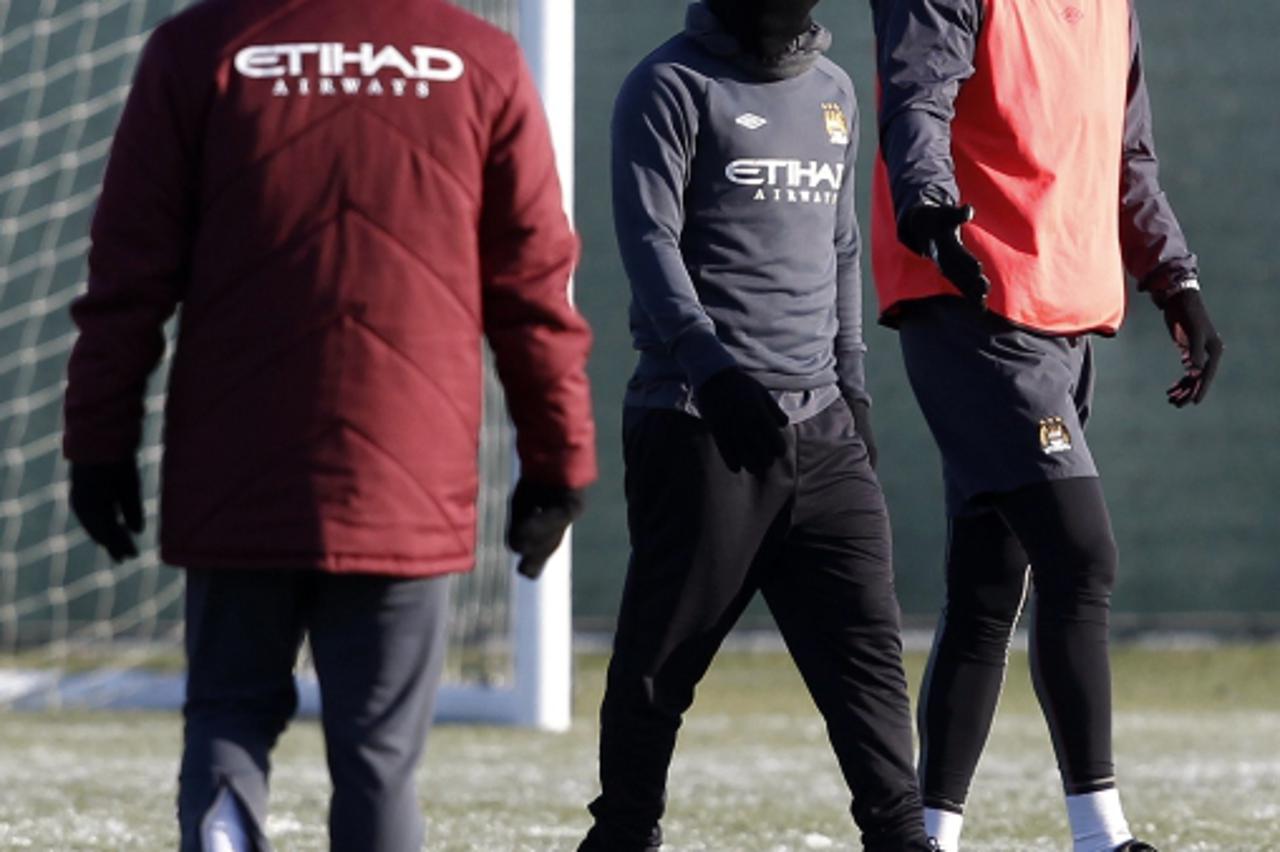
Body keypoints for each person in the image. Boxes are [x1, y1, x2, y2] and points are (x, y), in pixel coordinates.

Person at [61, 0, 596, 849]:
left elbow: (127, 276)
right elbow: (534, 289)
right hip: (404, 481)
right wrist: (559, 461)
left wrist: (98, 441)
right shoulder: (476, 57)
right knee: (380, 759)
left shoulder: (199, 48)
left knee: (227, 721)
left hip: (238, 475)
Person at [868, 1, 1224, 850]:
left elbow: (1126, 152)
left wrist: (1177, 284)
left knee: (991, 584)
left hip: (1066, 314)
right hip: (972, 304)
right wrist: (926, 205)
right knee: (1080, 550)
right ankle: (1101, 836)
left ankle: (928, 834)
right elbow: (918, 94)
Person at [578, 2, 932, 849]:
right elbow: (650, 241)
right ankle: (623, 833)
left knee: (866, 655)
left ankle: (901, 836)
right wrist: (712, 367)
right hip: (702, 421)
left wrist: (853, 386)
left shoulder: (837, 88)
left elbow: (843, 243)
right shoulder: (669, 84)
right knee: (662, 662)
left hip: (824, 426)